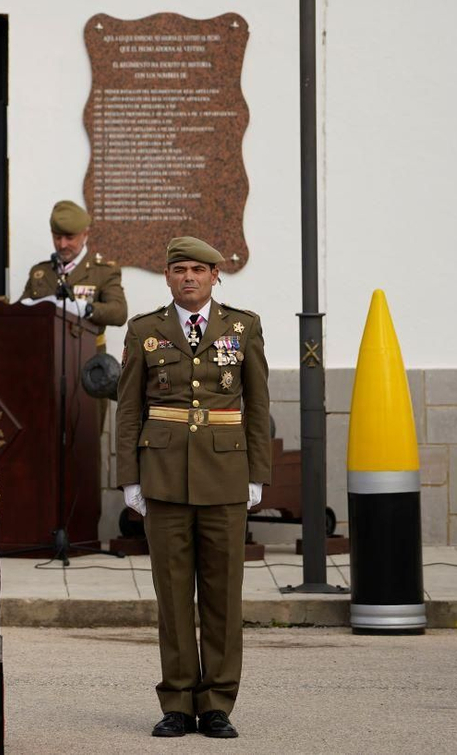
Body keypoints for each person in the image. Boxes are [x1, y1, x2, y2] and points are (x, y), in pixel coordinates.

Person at [116, 236, 270, 740]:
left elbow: (259, 408)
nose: (188, 277)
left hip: (225, 477)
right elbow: (130, 410)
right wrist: (129, 479)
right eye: (179, 269)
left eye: (198, 270)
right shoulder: (145, 331)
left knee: (223, 596)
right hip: (163, 478)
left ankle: (218, 703)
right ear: (166, 277)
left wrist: (256, 476)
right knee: (174, 596)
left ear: (214, 276)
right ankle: (178, 702)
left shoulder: (243, 327)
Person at [19, 199, 128, 429]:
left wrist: (86, 309)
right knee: (42, 434)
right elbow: (20, 314)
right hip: (45, 366)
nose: (62, 244)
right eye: (57, 237)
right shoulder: (41, 272)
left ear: (85, 234)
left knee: (86, 439)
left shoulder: (103, 271)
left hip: (88, 367)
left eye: (70, 238)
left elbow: (119, 312)